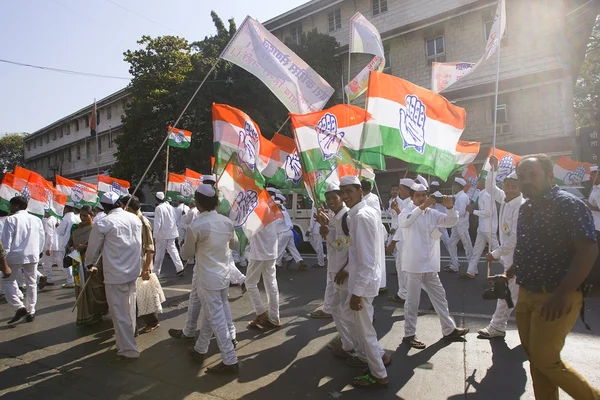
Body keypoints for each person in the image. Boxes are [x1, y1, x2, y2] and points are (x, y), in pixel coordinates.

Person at [510, 154, 600, 400]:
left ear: (549, 176)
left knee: (545, 360)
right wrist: (510, 271)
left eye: (533, 174)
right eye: (522, 177)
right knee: (536, 362)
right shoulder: (526, 208)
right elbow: (527, 247)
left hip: (556, 296)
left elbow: (588, 250)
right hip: (526, 293)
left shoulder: (568, 204)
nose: (526, 181)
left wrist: (562, 294)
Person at [398, 183, 469, 349]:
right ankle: (409, 334)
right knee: (412, 301)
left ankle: (448, 329)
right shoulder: (407, 212)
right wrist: (423, 206)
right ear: (412, 197)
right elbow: (406, 223)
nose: (422, 198)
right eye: (418, 195)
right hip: (414, 265)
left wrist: (450, 207)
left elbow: (451, 222)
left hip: (430, 265)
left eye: (424, 195)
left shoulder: (433, 213)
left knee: (440, 296)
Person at [181, 185, 240, 374]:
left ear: (197, 203)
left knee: (217, 320)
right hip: (223, 277)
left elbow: (186, 254)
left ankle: (230, 360)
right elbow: (234, 244)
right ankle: (200, 349)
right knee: (211, 315)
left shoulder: (196, 225)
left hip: (207, 279)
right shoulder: (226, 222)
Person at [339, 176, 390, 389]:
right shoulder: (365, 213)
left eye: (349, 191)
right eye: (343, 192)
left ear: (360, 191)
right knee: (361, 327)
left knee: (366, 331)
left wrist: (357, 293)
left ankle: (378, 374)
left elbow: (367, 260)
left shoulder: (360, 216)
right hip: (365, 280)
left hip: (364, 284)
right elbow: (362, 253)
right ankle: (380, 357)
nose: (345, 196)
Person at [85, 192, 143, 362]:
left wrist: (89, 264)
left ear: (104, 207)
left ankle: (128, 350)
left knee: (119, 313)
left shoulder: (104, 222)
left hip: (116, 274)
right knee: (129, 309)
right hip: (132, 271)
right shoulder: (134, 218)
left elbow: (93, 248)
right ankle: (126, 341)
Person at [478, 157, 524, 338]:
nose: (509, 189)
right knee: (515, 294)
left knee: (506, 293)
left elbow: (514, 238)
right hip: (510, 257)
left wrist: (495, 254)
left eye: (514, 186)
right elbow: (490, 187)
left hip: (517, 257)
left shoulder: (519, 206)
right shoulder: (505, 199)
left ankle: (497, 326)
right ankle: (535, 328)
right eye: (506, 185)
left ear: (520, 188)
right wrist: (493, 169)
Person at [316, 182, 355, 356]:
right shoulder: (335, 215)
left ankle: (350, 344)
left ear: (341, 197)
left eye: (334, 197)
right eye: (328, 198)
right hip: (335, 268)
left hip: (343, 270)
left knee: (342, 309)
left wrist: (328, 232)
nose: (331, 201)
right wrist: (326, 227)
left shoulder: (346, 217)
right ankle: (348, 341)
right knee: (339, 308)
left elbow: (345, 246)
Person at [1, 196, 45, 324]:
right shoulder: (36, 219)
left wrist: (3, 258)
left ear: (17, 206)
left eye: (11, 205)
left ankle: (18, 306)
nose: (9, 208)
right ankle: (31, 310)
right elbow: (42, 238)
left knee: (7, 281)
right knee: (31, 283)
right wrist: (39, 252)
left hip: (14, 255)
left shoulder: (11, 219)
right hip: (32, 254)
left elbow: (6, 242)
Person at [123, 195, 162, 335]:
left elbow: (150, 248)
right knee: (136, 293)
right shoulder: (132, 220)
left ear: (127, 207)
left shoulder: (142, 222)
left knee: (144, 294)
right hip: (134, 261)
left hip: (142, 262)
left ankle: (153, 322)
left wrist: (146, 268)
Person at [69, 205, 108, 326]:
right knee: (81, 287)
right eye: (81, 215)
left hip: (93, 261)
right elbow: (70, 242)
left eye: (85, 215)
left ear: (93, 216)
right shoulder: (75, 228)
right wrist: (70, 247)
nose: (82, 218)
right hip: (77, 261)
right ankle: (85, 315)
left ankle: (97, 313)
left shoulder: (96, 229)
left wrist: (84, 247)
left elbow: (101, 244)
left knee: (95, 288)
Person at [246, 201, 281, 330]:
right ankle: (274, 318)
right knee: (271, 285)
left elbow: (249, 230)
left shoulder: (256, 207)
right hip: (271, 252)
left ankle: (261, 313)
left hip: (259, 252)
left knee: (250, 283)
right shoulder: (272, 208)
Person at [387, 178, 416, 305]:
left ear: (405, 190)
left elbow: (403, 223)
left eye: (400, 188)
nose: (399, 191)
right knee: (401, 268)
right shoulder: (405, 203)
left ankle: (406, 294)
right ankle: (403, 293)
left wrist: (393, 242)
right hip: (401, 239)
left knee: (408, 270)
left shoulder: (410, 204)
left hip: (404, 240)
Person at [463, 181, 500, 279]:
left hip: (488, 228)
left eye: (479, 181)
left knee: (499, 251)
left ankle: (511, 269)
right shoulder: (482, 194)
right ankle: (470, 272)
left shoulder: (487, 195)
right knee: (476, 251)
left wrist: (473, 211)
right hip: (482, 228)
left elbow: (488, 213)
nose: (476, 183)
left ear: (484, 183)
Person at [360, 179, 387, 294]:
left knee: (371, 258)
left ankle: (374, 284)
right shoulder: (374, 197)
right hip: (378, 229)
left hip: (371, 231)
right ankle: (381, 283)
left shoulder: (365, 201)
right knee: (378, 257)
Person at [152, 192, 184, 277]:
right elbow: (175, 219)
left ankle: (155, 272)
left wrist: (154, 235)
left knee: (159, 253)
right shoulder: (171, 207)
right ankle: (180, 268)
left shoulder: (159, 208)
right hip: (172, 232)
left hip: (162, 234)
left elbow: (157, 223)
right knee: (173, 251)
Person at [445, 178, 473, 273]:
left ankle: (473, 268)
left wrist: (451, 210)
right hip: (456, 225)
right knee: (451, 244)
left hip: (462, 225)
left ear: (457, 186)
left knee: (467, 246)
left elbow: (461, 212)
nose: (453, 187)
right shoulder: (459, 196)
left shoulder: (462, 197)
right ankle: (454, 265)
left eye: (454, 185)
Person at [275, 194, 307, 271]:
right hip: (289, 232)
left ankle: (276, 265)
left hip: (283, 233)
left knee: (279, 250)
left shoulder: (279, 213)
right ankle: (300, 262)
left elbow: (278, 222)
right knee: (292, 248)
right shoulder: (284, 211)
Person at [56, 202, 80, 288]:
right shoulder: (77, 217)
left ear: (66, 209)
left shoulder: (66, 218)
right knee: (74, 262)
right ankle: (75, 280)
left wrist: (57, 226)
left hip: (66, 243)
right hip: (75, 242)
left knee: (66, 262)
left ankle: (70, 281)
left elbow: (60, 231)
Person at [429, 181, 451, 253]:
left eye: (432, 187)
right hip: (438, 224)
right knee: (433, 243)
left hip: (440, 224)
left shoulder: (436, 195)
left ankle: (455, 262)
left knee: (447, 244)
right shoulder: (438, 195)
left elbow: (430, 205)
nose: (430, 188)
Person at [41, 210, 60, 286]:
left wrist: (48, 247)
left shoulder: (49, 221)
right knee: (60, 262)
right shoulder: (56, 219)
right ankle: (71, 278)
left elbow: (49, 235)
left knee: (47, 263)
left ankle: (49, 279)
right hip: (57, 243)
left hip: (50, 244)